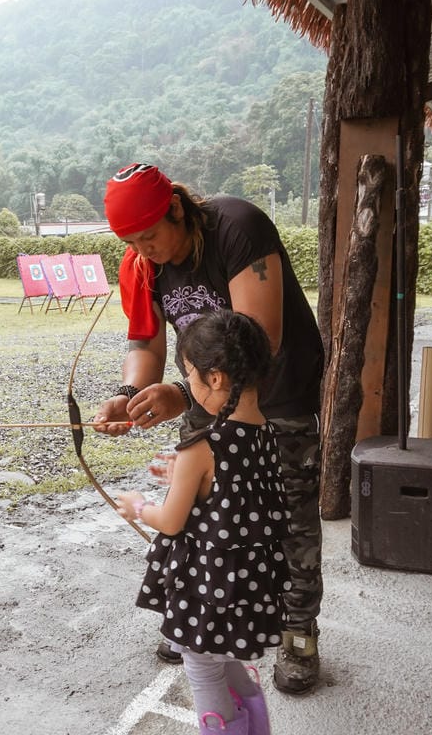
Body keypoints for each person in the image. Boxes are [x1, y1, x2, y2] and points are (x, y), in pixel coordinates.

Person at [95, 162, 325, 695]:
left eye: (150, 236)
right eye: (131, 242)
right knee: (200, 518)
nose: (143, 250)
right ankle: (194, 621)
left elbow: (258, 338)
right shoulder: (143, 263)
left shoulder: (237, 228)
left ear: (176, 207)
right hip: (202, 398)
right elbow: (146, 342)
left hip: (274, 403)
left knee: (285, 521)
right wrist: (130, 395)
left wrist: (180, 393)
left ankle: (296, 631)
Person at [116, 309, 289, 735]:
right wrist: (181, 474)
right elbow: (234, 495)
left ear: (215, 378)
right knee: (225, 659)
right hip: (249, 581)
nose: (189, 386)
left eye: (190, 375)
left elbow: (171, 522)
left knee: (201, 666)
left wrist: (137, 506)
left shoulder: (202, 446)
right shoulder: (266, 432)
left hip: (209, 585)